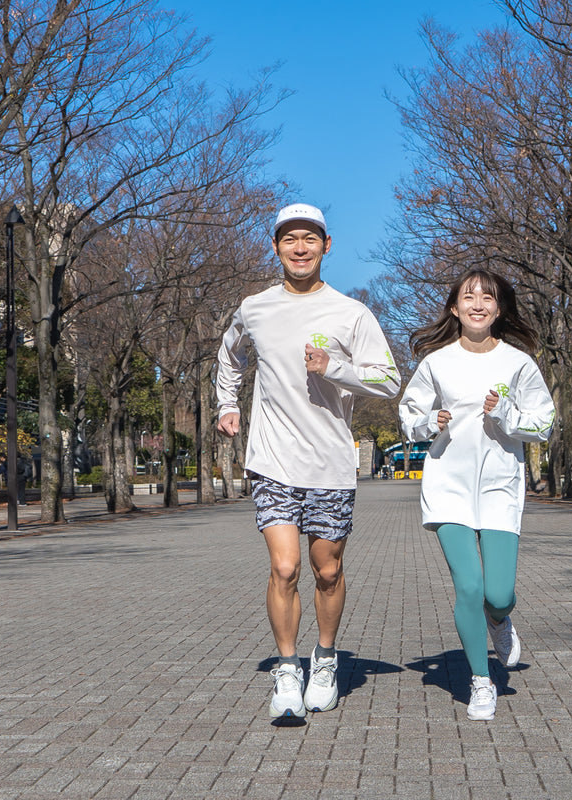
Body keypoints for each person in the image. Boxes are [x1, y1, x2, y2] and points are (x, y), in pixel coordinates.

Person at [216, 203, 400, 719]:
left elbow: (388, 381)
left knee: (328, 571)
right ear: (276, 247)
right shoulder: (254, 308)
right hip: (273, 459)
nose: (300, 248)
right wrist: (227, 404)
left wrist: (334, 367)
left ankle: (325, 657)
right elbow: (229, 356)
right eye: (290, 239)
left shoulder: (351, 313)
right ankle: (287, 668)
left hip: (330, 464)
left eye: (310, 239)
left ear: (327, 246)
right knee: (284, 565)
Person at [399, 268, 554, 721]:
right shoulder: (436, 362)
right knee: (469, 586)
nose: (478, 304)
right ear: (454, 308)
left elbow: (543, 423)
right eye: (469, 297)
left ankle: (500, 621)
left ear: (499, 308)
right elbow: (409, 416)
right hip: (448, 484)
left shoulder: (518, 363)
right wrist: (431, 423)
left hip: (500, 487)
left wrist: (506, 413)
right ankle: (480, 682)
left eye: (488, 297)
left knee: (499, 593)